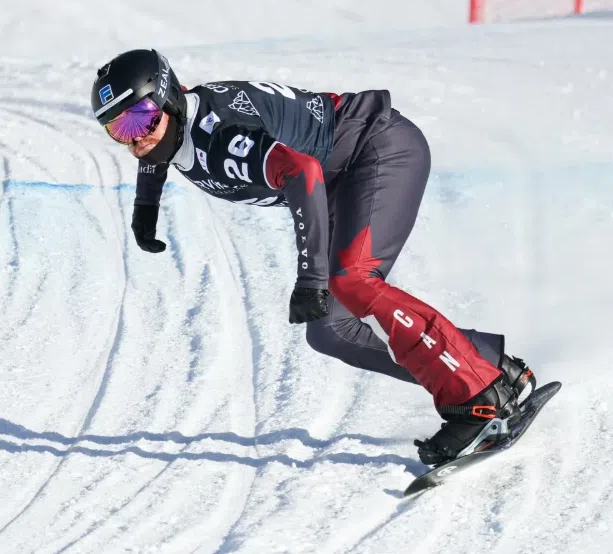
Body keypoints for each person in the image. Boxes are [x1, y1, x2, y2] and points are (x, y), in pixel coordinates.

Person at [90, 49, 536, 465]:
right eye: (118, 129)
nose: (135, 139)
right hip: (340, 181)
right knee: (331, 332)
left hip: (378, 150)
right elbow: (158, 148)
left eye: (140, 118)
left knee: (351, 280)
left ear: (168, 98)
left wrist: (310, 278)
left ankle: (477, 397)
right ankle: (492, 368)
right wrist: (145, 205)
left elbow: (300, 172)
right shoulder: (175, 124)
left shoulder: (222, 137)